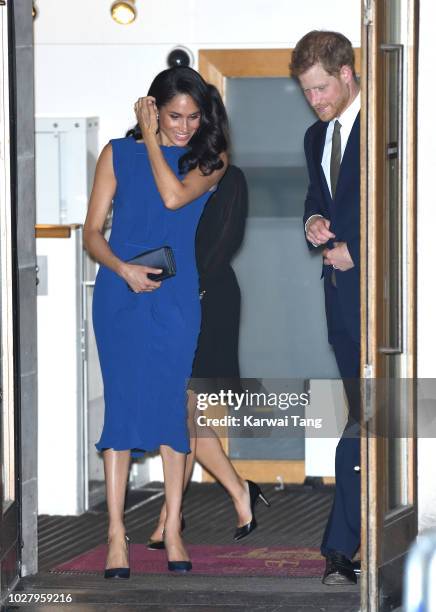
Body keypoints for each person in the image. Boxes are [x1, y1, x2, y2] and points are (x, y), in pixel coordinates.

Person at [83, 66, 229, 576]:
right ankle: (116, 535)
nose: (185, 126)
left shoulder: (210, 161)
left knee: (172, 409)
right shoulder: (115, 155)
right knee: (121, 408)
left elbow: (171, 197)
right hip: (119, 297)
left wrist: (150, 137)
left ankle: (172, 528)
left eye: (193, 116)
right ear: (154, 107)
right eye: (173, 116)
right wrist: (121, 268)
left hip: (176, 299)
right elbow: (92, 233)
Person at [147, 163, 271, 549]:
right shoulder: (168, 173)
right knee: (184, 413)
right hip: (170, 298)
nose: (186, 127)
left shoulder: (229, 177)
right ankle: (238, 491)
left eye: (195, 117)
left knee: (184, 411)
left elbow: (225, 242)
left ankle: (171, 516)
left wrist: (190, 290)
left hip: (209, 298)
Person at [290, 31, 361, 585]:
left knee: (371, 418)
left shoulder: (392, 128)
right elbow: (322, 198)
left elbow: (404, 201)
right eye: (306, 91)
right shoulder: (317, 137)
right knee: (368, 416)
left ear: (347, 72)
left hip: (387, 300)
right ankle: (351, 544)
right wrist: (313, 221)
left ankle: (346, 545)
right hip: (339, 301)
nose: (314, 101)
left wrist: (355, 251)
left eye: (320, 88)